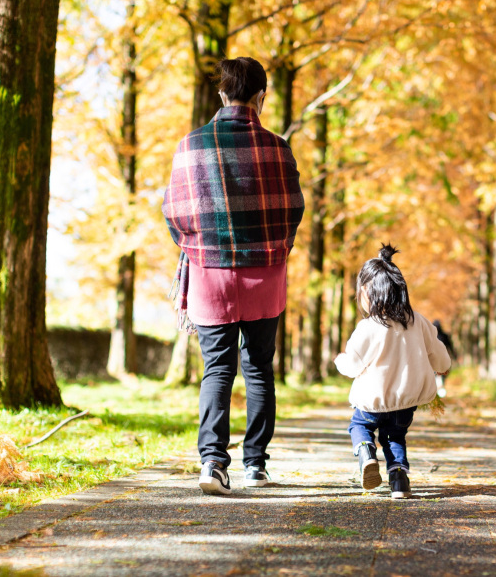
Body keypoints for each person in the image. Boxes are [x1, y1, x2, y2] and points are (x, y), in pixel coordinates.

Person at [162, 57, 305, 495]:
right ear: (262, 96)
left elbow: (174, 211)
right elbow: (293, 209)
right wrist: (274, 248)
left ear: (222, 94)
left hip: (210, 272)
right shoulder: (278, 147)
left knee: (217, 368)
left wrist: (196, 246)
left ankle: (212, 463)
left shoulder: (191, 145)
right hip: (265, 272)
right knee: (259, 367)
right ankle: (256, 466)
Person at [334, 244, 452, 499]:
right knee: (395, 437)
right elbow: (439, 355)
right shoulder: (419, 322)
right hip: (405, 403)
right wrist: (443, 368)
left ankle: (366, 453)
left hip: (372, 402)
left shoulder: (369, 326)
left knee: (359, 426)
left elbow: (352, 365)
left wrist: (339, 360)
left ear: (367, 293)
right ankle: (399, 481)